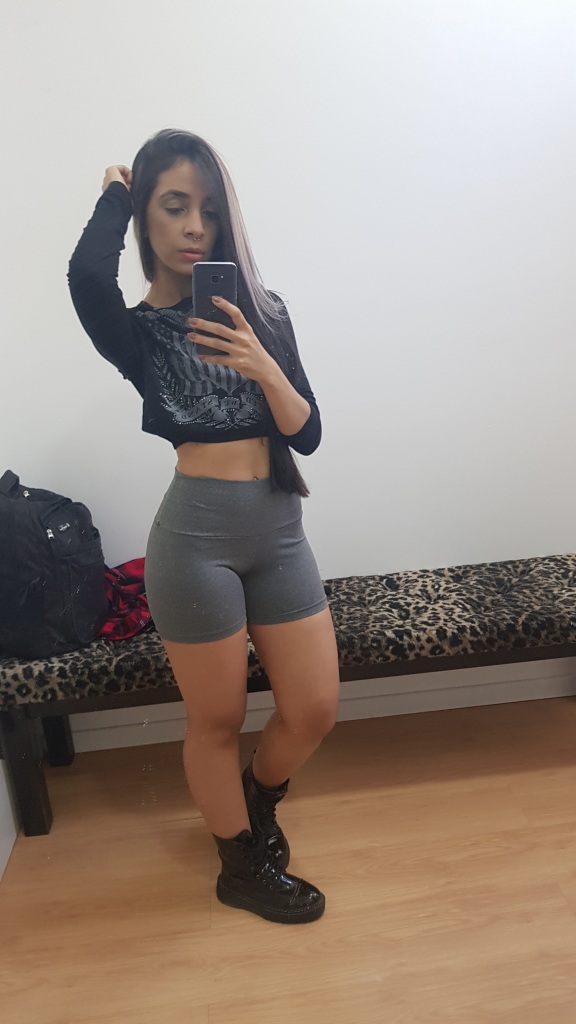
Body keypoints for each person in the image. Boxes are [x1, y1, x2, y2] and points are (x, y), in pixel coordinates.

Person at [68, 129, 340, 924]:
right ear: (146, 219)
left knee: (314, 707)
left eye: (209, 210)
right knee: (216, 718)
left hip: (279, 533)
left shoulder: (266, 313)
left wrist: (262, 363)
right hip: (194, 543)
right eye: (173, 206)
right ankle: (240, 869)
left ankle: (256, 801)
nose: (194, 226)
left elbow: (308, 433)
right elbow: (86, 276)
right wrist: (116, 195)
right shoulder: (138, 334)